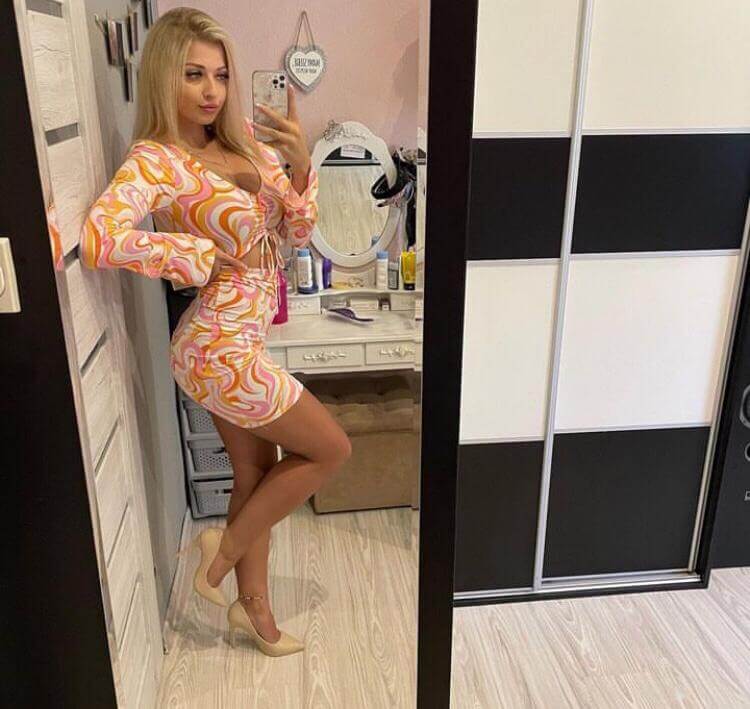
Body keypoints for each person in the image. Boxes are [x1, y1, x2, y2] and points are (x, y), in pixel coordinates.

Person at [79, 7, 351, 657]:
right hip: (216, 345)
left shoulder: (244, 141)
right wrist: (192, 254)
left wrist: (301, 168)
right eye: (193, 74)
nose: (211, 90)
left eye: (221, 75)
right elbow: (99, 238)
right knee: (330, 449)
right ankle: (220, 552)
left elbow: (296, 235)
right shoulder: (155, 160)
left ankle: (253, 613)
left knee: (255, 470)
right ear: (163, 77)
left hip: (242, 336)